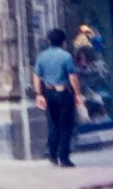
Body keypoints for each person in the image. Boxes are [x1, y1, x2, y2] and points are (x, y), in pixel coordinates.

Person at [33, 28, 84, 167]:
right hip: (63, 93)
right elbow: (72, 77)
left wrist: (39, 94)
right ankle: (64, 157)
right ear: (63, 41)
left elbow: (36, 76)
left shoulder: (41, 56)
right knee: (66, 125)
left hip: (48, 92)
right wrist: (77, 94)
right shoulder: (65, 56)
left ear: (49, 41)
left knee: (53, 123)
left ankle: (52, 152)